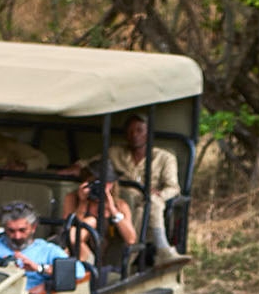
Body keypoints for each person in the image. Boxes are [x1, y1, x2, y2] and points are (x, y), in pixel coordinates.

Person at [107, 114, 181, 264]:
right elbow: (91, 165)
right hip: (121, 201)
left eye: (139, 130)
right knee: (143, 208)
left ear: (149, 133)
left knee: (149, 205)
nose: (134, 135)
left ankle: (128, 261)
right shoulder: (115, 153)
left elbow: (173, 188)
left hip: (146, 204)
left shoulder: (164, 158)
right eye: (130, 131)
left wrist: (159, 195)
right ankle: (161, 250)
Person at [0, 202, 81, 294]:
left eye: (22, 230)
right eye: (11, 231)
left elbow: (79, 272)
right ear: (5, 228)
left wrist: (39, 268)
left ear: (33, 227)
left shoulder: (48, 250)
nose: (17, 236)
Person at [60, 163, 137, 266]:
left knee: (90, 222)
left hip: (107, 259)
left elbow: (131, 239)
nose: (102, 186)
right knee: (90, 222)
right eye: (97, 182)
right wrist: (83, 203)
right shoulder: (73, 198)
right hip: (79, 253)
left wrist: (113, 210)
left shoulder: (120, 205)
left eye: (107, 182)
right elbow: (68, 233)